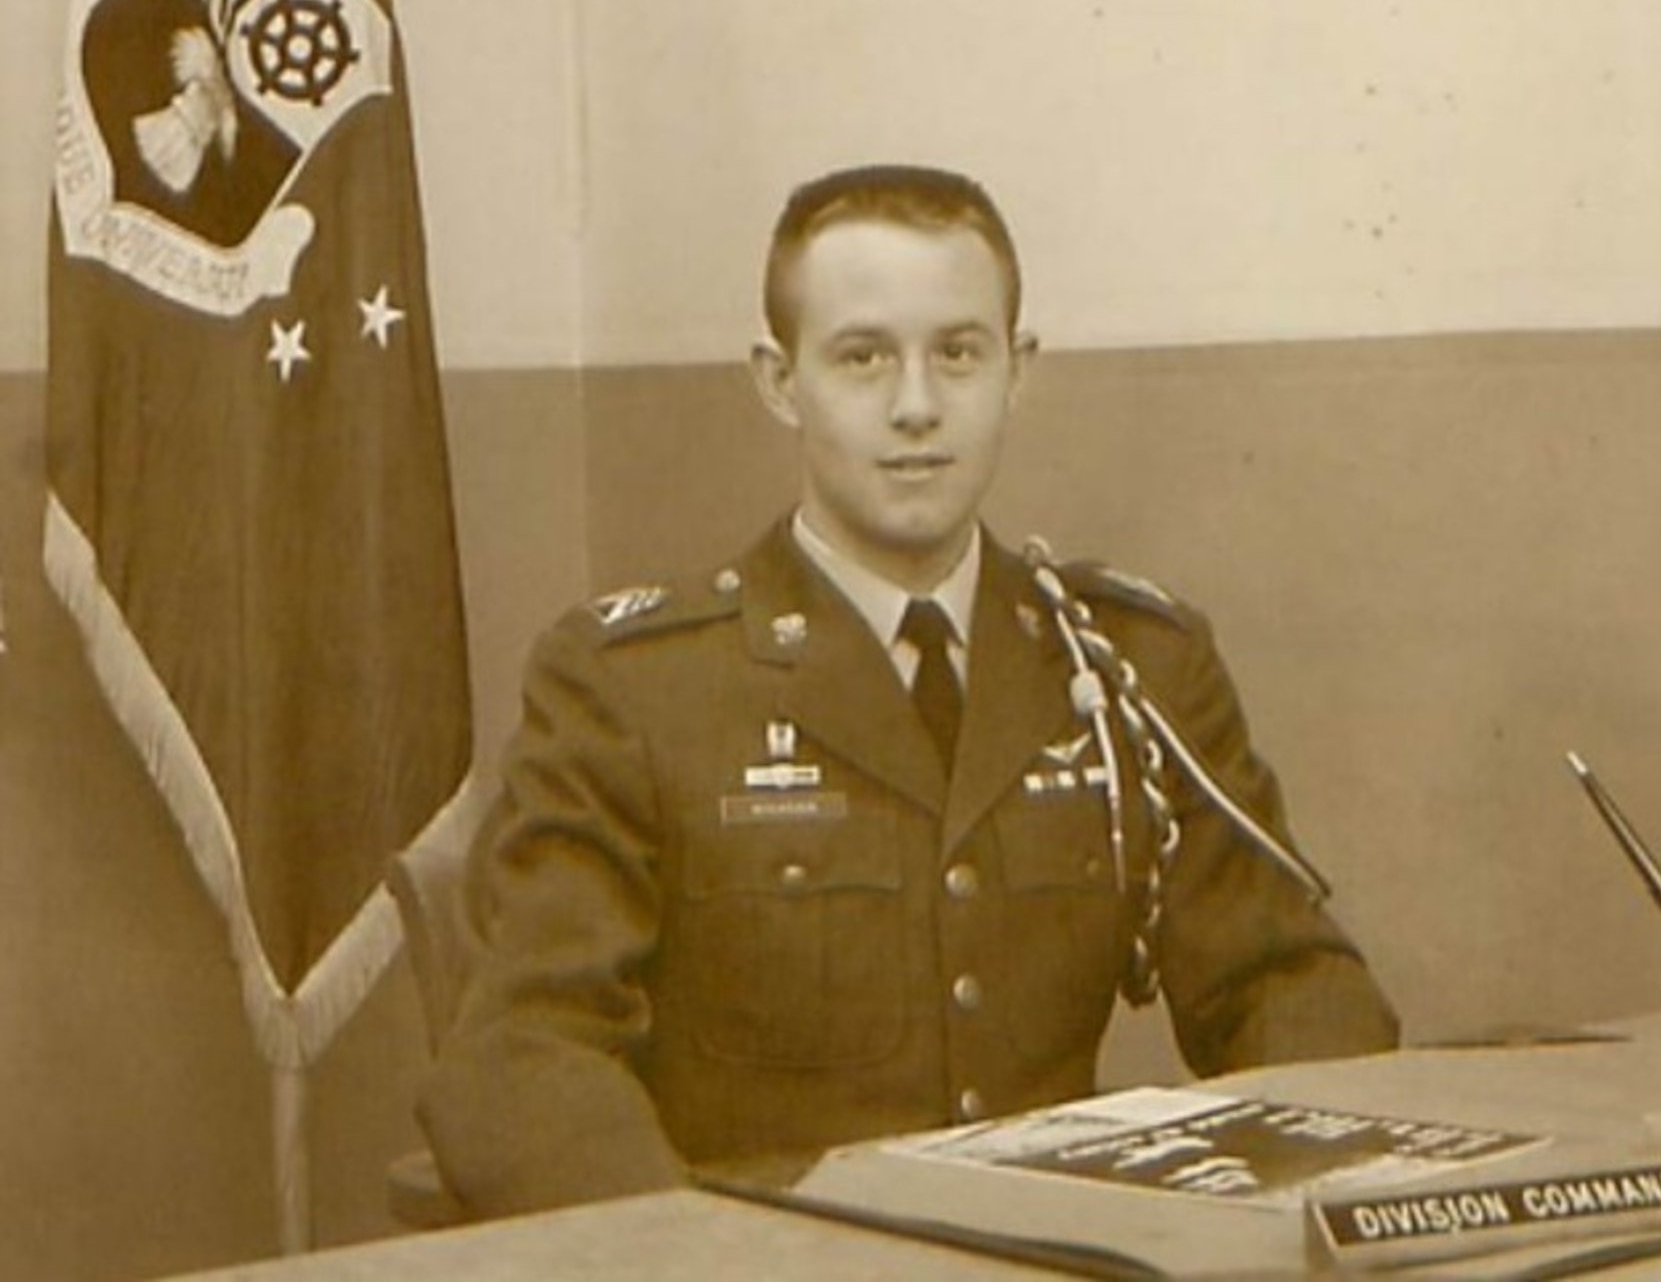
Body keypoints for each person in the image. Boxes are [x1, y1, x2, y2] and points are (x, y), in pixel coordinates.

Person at [418, 163, 1400, 1219]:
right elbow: (521, 1055)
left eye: (958, 354)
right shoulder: (635, 688)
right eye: (861, 357)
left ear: (1017, 371)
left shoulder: (1125, 662)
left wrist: (1313, 1196)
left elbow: (1285, 981)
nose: (917, 407)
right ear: (777, 379)